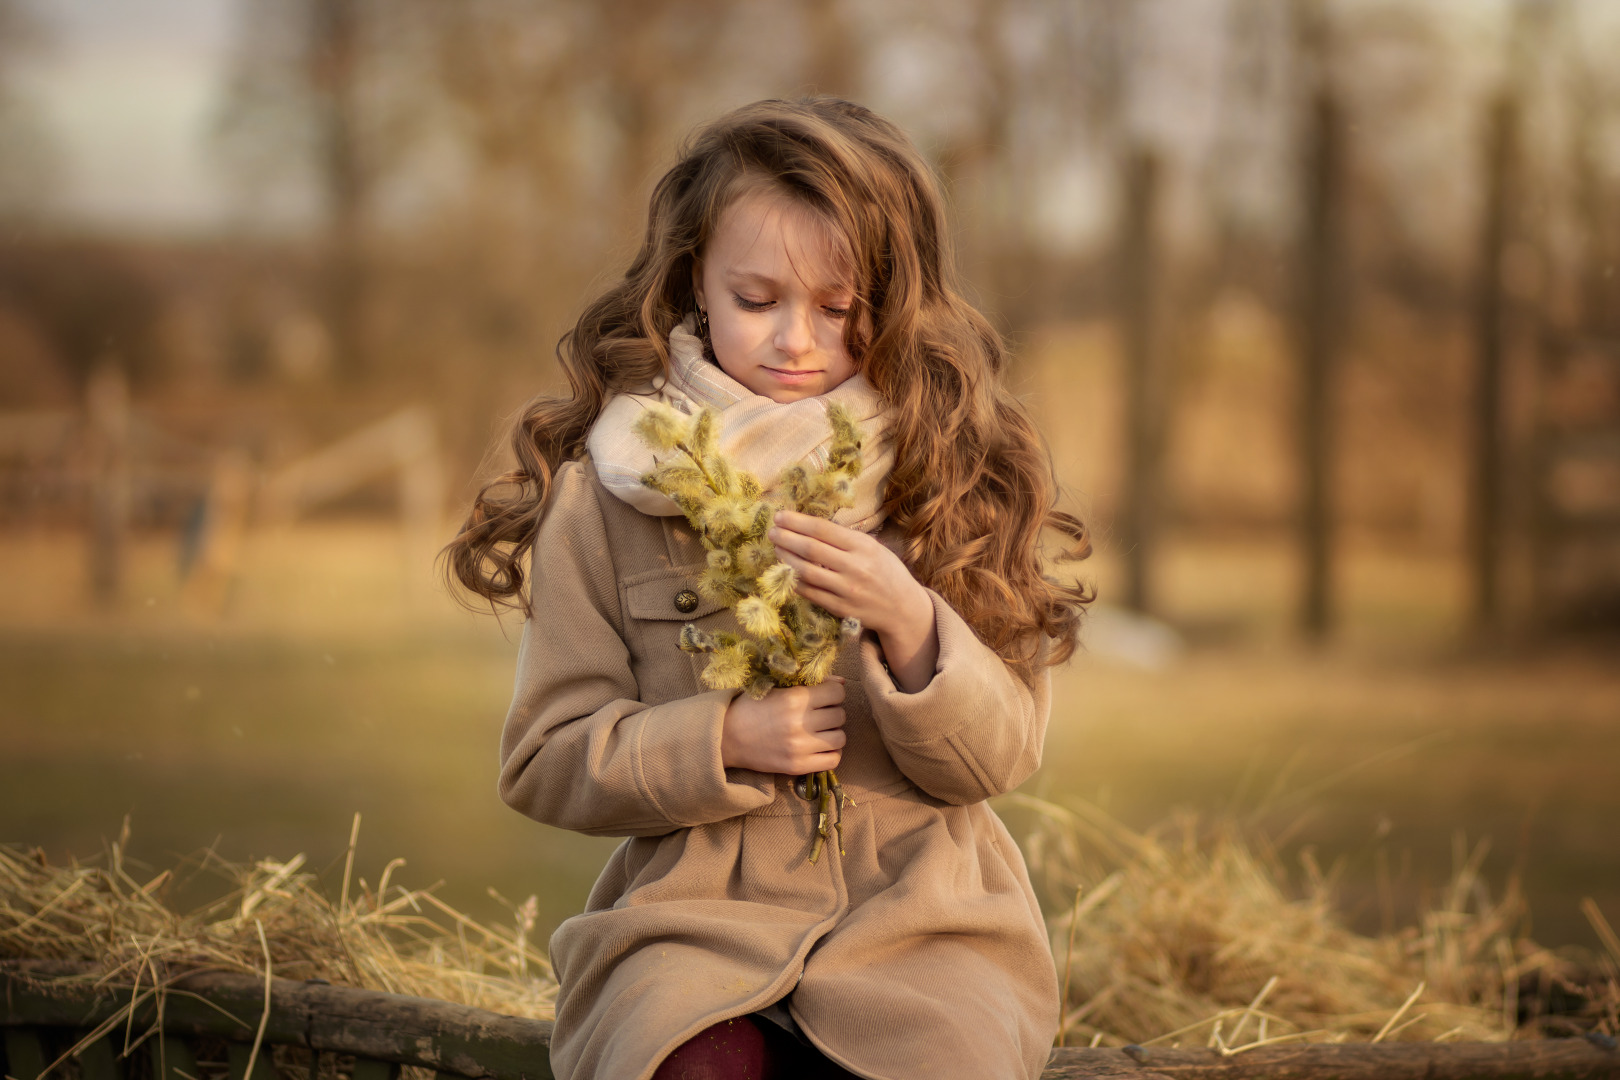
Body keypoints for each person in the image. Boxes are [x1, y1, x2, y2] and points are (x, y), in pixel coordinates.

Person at [444, 97, 1092, 1080]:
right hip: (691, 928)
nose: (797, 341)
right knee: (683, 1061)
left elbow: (1002, 757)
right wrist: (720, 740)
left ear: (898, 298)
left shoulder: (952, 473)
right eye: (757, 300)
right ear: (694, 279)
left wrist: (913, 624)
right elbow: (543, 757)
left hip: (926, 931)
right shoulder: (610, 487)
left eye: (839, 309)